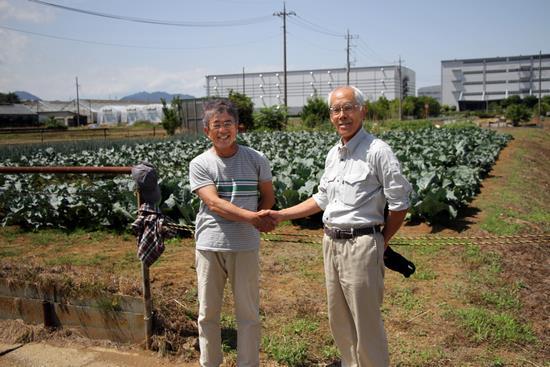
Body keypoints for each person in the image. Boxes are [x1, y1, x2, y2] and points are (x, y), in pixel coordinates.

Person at [261, 86, 412, 367]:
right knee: (339, 318)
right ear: (330, 116)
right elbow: (322, 198)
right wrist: (281, 214)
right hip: (331, 242)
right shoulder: (334, 154)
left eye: (348, 108)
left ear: (362, 111)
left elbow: (400, 203)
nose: (342, 115)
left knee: (366, 322)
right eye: (336, 110)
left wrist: (383, 240)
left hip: (361, 244)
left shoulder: (378, 151)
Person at [189, 99, 275, 367]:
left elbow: (268, 197)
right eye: (217, 125)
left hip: (245, 245)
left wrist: (258, 219)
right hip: (210, 244)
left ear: (238, 127)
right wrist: (253, 218)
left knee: (248, 313)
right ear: (207, 131)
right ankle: (210, 363)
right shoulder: (200, 163)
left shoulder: (256, 159)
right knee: (207, 312)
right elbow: (214, 203)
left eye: (228, 124)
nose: (223, 130)